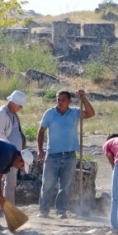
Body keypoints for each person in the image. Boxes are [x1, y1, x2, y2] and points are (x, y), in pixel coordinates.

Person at [37, 89, 95, 219]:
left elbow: (91, 113)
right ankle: (43, 210)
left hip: (69, 155)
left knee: (66, 186)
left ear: (69, 101)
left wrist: (83, 99)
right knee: (47, 184)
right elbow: (41, 132)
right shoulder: (49, 113)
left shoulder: (74, 112)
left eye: (63, 99)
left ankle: (61, 210)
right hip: (52, 155)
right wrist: (40, 149)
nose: (60, 101)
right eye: (58, 99)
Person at [0, 90, 27, 209]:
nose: (21, 107)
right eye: (20, 105)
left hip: (13, 156)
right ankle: (7, 208)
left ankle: (4, 206)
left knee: (8, 182)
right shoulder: (1, 114)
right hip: (6, 155)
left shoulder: (12, 114)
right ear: (13, 102)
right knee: (9, 182)